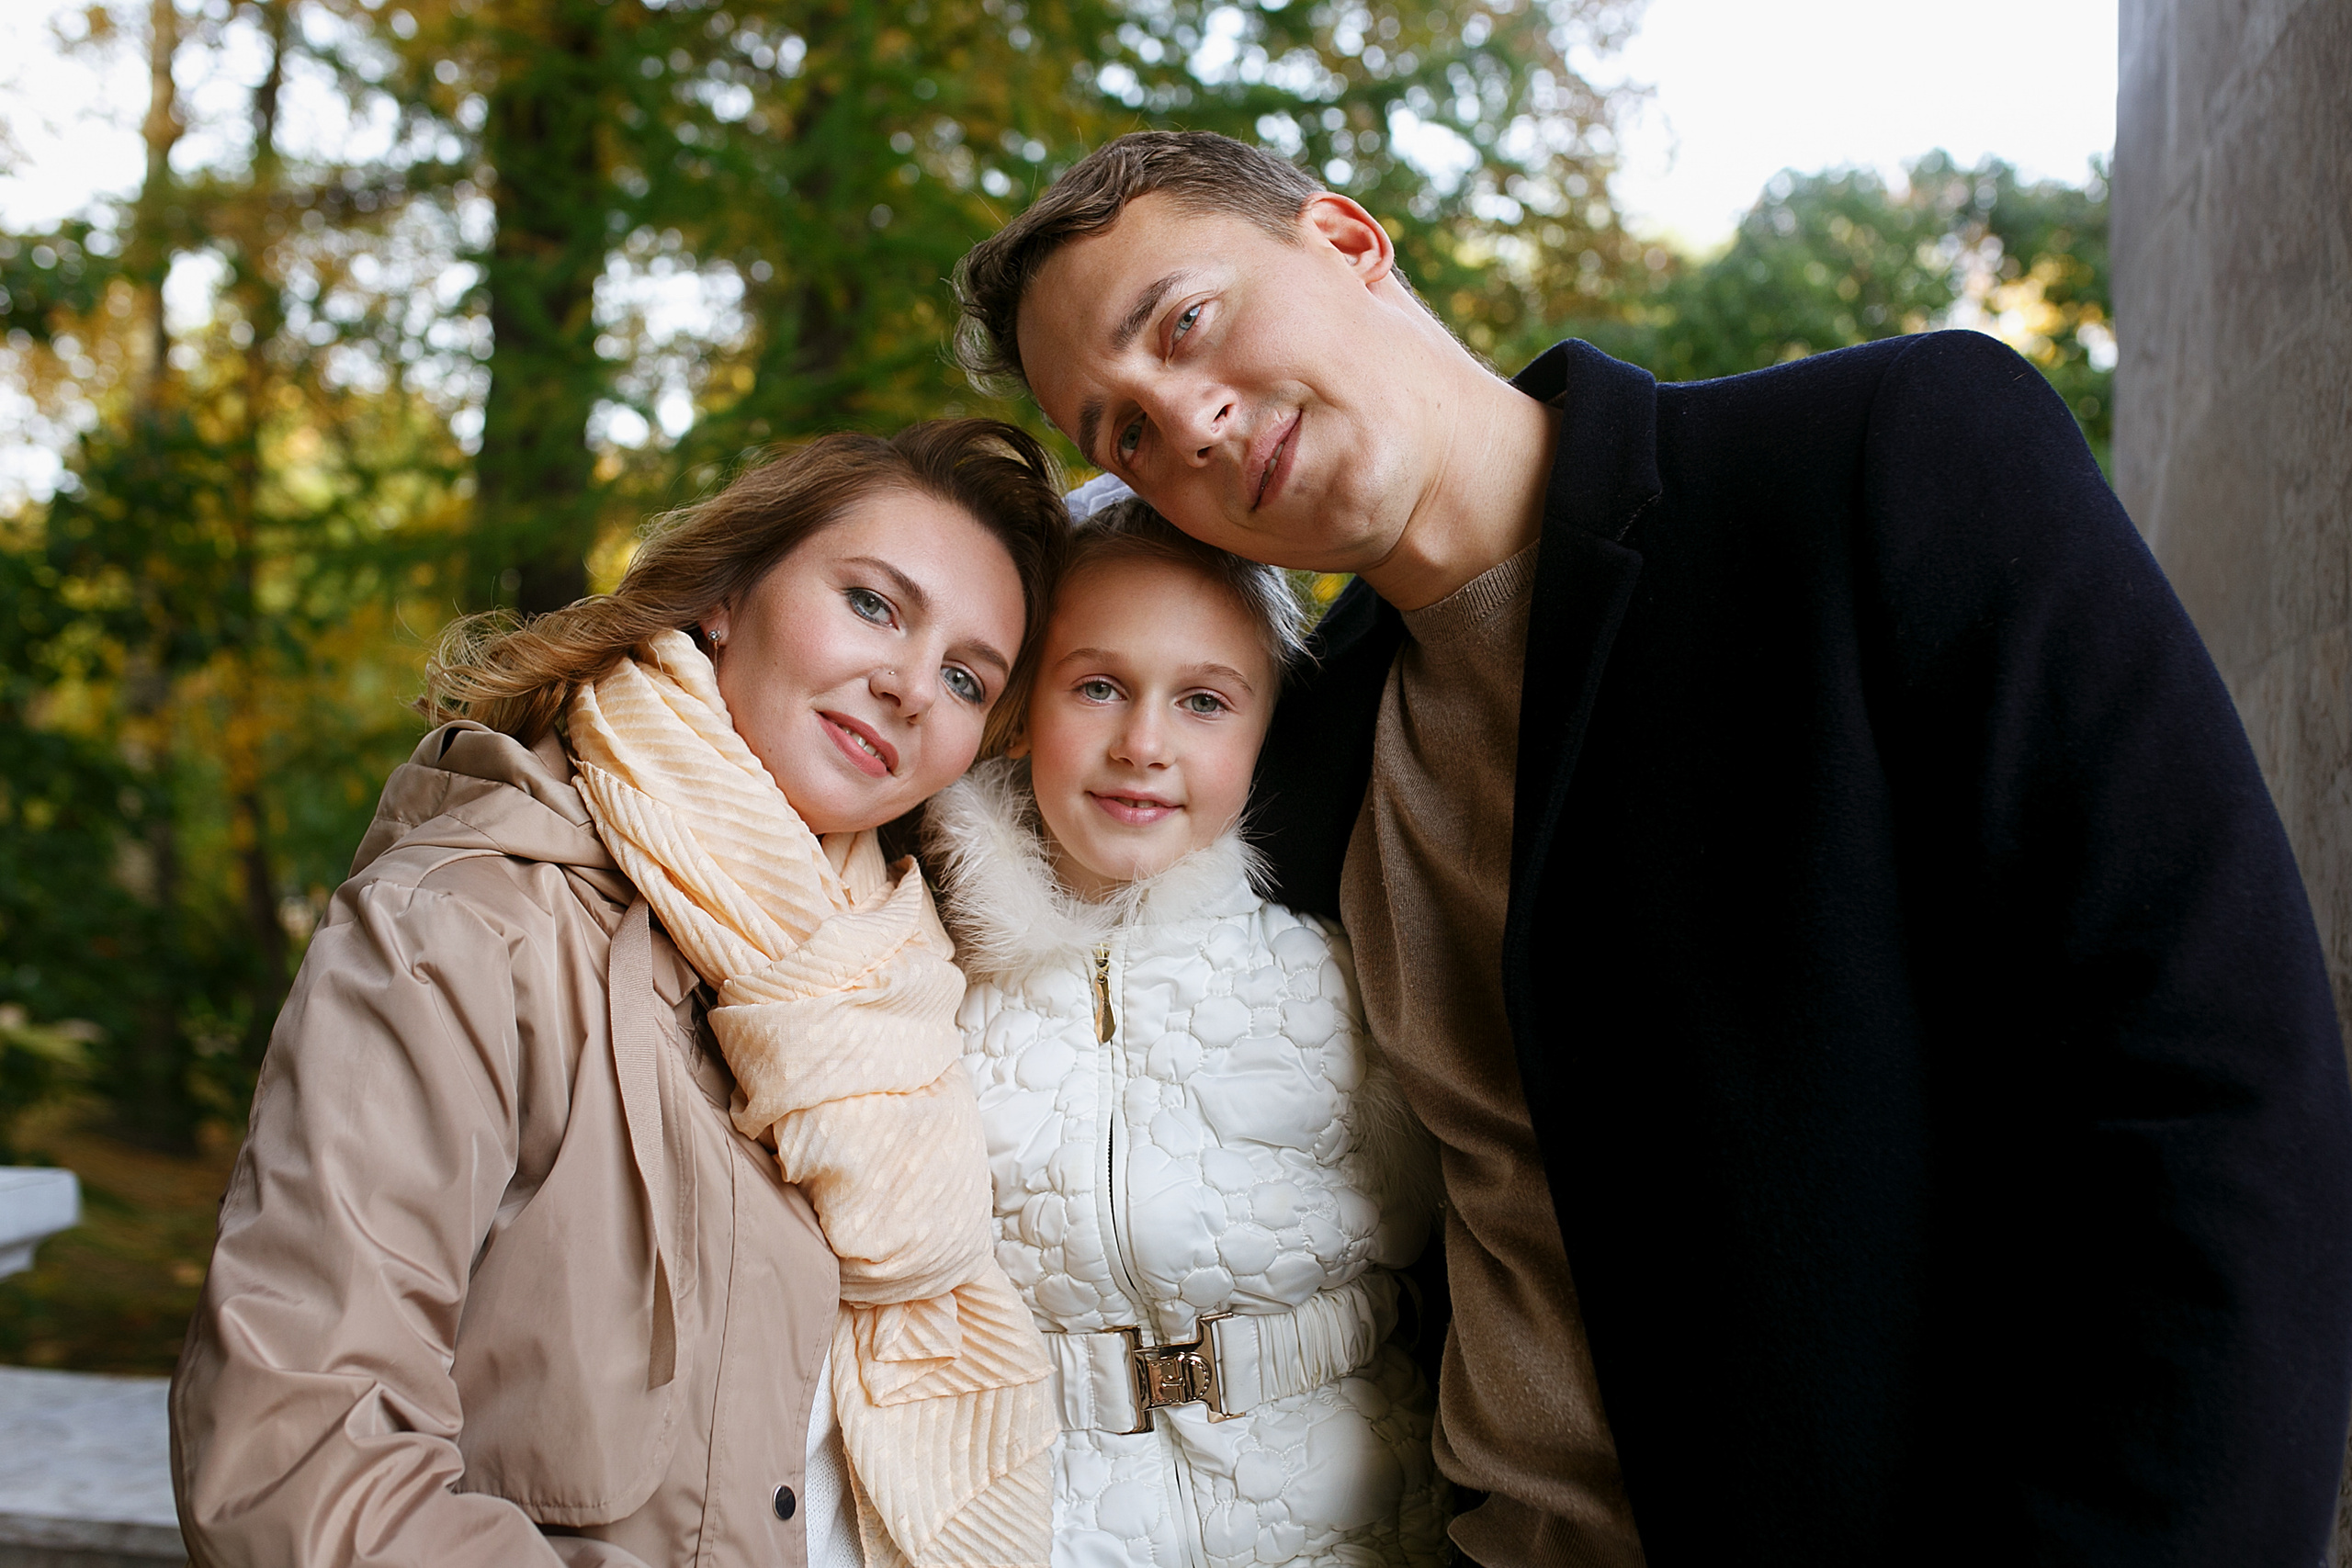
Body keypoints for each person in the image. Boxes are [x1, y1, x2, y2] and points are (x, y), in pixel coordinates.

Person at [948, 131, 2352, 1565]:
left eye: (1186, 322)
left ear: (1350, 241)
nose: (1183, 420)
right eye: (1122, 433)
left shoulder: (1887, 460)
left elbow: (2211, 1099)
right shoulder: (1296, 749)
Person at [171, 421, 1069, 1568]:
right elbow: (297, 1464)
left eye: (964, 678)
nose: (907, 687)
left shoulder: (903, 991)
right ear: (724, 598)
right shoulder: (469, 926)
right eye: (872, 604)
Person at [922, 492, 1445, 1568]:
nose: (1144, 745)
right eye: (1098, 687)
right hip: (1046, 1524)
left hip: (1358, 1521)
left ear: (1263, 728)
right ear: (1022, 707)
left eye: (1204, 701)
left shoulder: (1344, 972)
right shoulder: (926, 985)